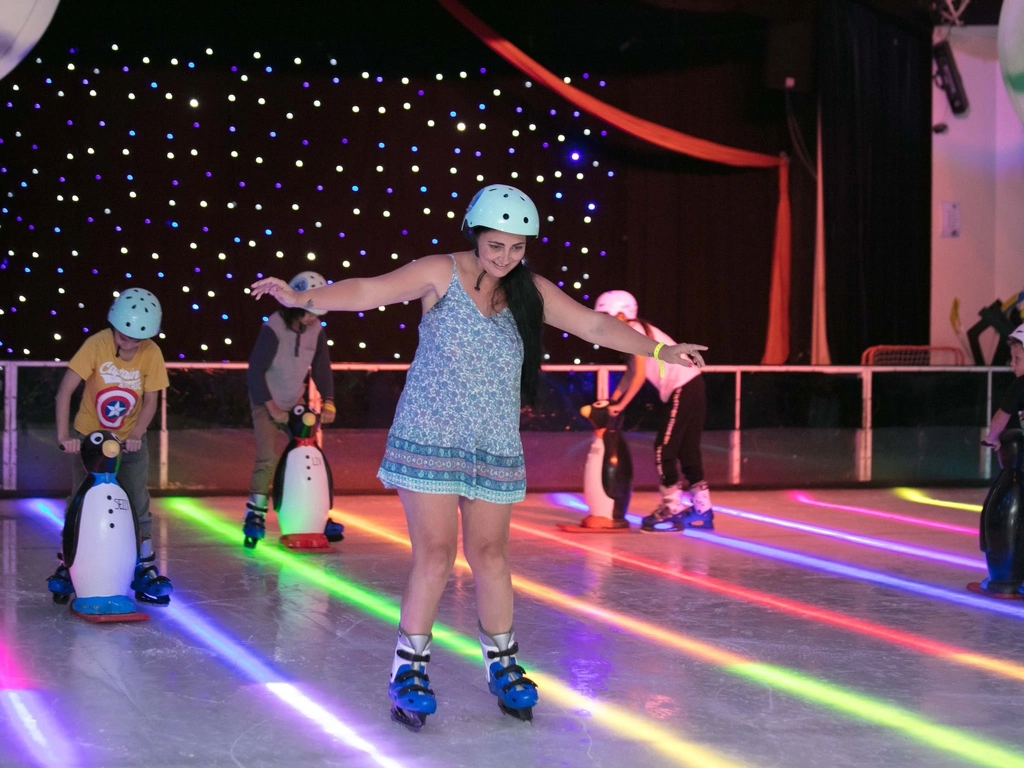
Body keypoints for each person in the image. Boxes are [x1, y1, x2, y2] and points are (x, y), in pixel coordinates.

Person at [250, 184, 706, 728]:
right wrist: (301, 299)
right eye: (496, 245)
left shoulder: (528, 288)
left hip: (492, 442)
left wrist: (659, 349)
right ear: (475, 233)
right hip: (430, 435)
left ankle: (503, 664)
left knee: (491, 554)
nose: (505, 257)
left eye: (516, 248)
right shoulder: (438, 272)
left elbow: (592, 324)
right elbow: (368, 290)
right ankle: (409, 668)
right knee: (437, 554)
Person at [49, 288, 174, 605]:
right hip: (90, 440)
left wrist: (137, 434)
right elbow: (65, 392)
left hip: (128, 442)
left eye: (135, 338)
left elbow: (150, 400)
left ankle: (143, 569)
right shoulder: (97, 344)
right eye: (122, 334)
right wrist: (66, 437)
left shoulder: (152, 354)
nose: (127, 342)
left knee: (136, 502)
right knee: (79, 502)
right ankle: (68, 565)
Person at [595, 290, 715, 531]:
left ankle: (672, 506)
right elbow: (631, 372)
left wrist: (619, 406)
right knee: (688, 451)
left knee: (664, 449)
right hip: (692, 384)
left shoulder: (634, 330)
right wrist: (613, 398)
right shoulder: (635, 330)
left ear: (621, 314)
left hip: (683, 386)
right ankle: (703, 509)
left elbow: (639, 376)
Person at [242, 271, 338, 547]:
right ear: (294, 307)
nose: (313, 318)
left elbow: (321, 367)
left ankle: (317, 514)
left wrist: (328, 400)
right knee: (268, 457)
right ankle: (255, 514)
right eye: (309, 312)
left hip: (294, 403)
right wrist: (271, 407)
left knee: (309, 453)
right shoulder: (274, 326)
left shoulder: (316, 330)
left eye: (317, 312)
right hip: (266, 401)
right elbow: (255, 372)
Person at [982, 322, 1024, 449]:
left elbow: (1000, 420)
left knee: (1011, 440)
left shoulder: (1021, 384)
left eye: (1017, 358)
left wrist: (991, 439)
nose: (1012, 364)